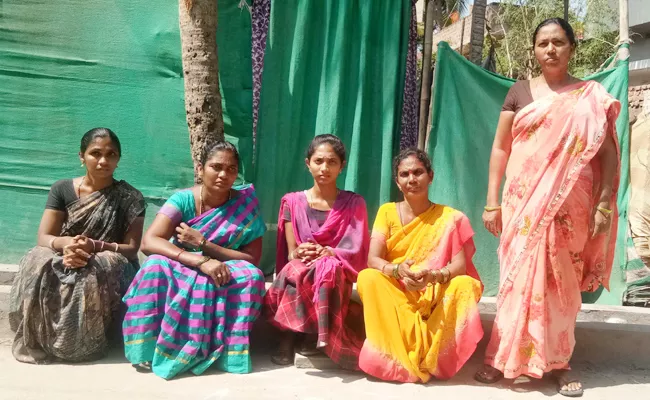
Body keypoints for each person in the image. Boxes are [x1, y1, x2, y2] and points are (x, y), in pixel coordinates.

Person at [474, 18, 621, 397]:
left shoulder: (591, 95)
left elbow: (607, 154)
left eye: (558, 42)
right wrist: (492, 202)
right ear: (534, 50)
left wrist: (604, 203)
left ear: (572, 47)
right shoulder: (518, 93)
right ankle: (501, 358)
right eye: (543, 43)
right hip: (522, 202)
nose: (550, 49)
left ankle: (558, 364)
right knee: (515, 280)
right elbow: (500, 148)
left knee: (560, 283)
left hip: (571, 206)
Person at [122, 141, 266, 380]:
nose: (223, 174)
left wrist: (204, 246)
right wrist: (198, 260)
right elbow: (149, 241)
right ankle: (147, 348)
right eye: (216, 167)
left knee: (251, 276)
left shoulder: (245, 204)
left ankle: (226, 353)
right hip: (184, 263)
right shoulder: (182, 200)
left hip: (223, 264)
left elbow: (251, 259)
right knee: (155, 266)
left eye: (231, 169)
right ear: (200, 169)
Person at [9, 128, 146, 364]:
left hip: (107, 257)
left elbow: (132, 249)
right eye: (95, 153)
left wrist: (94, 246)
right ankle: (41, 335)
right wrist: (69, 245)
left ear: (118, 158)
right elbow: (45, 236)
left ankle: (82, 342)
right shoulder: (62, 189)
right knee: (37, 258)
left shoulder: (131, 197)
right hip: (65, 252)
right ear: (81, 156)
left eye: (111, 154)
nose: (103, 160)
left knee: (101, 265)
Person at [356, 148, 483, 383]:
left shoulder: (450, 218)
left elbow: (459, 266)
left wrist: (432, 276)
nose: (411, 179)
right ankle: (396, 359)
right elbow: (373, 259)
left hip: (434, 294)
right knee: (367, 277)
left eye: (418, 172)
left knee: (465, 284)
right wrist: (397, 270)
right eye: (404, 174)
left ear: (430, 176)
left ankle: (435, 358)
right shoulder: (386, 212)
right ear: (397, 181)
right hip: (397, 291)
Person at [264, 134, 369, 368]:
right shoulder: (291, 202)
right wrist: (301, 252)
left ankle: (304, 337)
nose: (324, 168)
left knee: (326, 269)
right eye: (318, 161)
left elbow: (356, 249)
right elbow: (290, 254)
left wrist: (330, 253)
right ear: (307, 163)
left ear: (342, 166)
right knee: (299, 269)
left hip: (337, 270)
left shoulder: (354, 204)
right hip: (301, 267)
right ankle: (292, 338)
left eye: (332, 162)